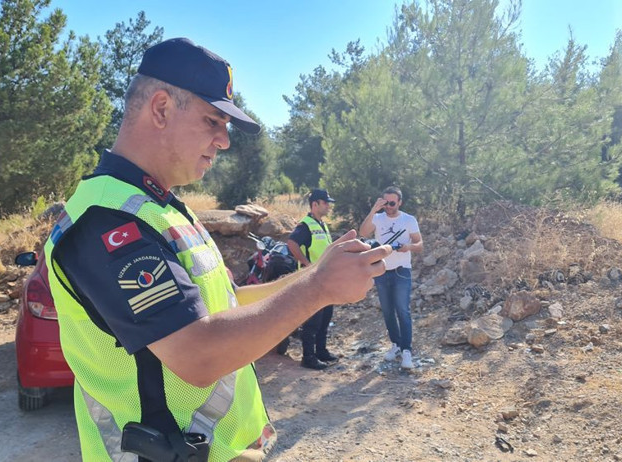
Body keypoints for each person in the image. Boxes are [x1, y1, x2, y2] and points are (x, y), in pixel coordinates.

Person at [44, 38, 390, 462]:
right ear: (161, 108)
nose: (224, 141)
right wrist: (318, 288)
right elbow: (196, 353)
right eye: (213, 121)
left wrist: (320, 270)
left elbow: (228, 303)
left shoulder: (164, 208)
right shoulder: (106, 220)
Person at [358, 186, 423, 369]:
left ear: (399, 202)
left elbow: (419, 244)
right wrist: (374, 209)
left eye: (392, 202)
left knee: (403, 310)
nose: (388, 206)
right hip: (381, 269)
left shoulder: (408, 220)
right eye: (385, 202)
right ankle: (395, 344)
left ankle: (407, 350)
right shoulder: (378, 218)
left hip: (401, 270)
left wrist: (408, 247)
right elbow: (363, 232)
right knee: (387, 311)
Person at [286, 189, 338, 370]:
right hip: (313, 280)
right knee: (313, 320)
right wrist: (306, 263)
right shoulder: (305, 225)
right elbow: (292, 243)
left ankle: (321, 351)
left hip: (326, 278)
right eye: (325, 202)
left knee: (325, 318)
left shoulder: (322, 224)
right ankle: (308, 357)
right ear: (315, 204)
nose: (328, 206)